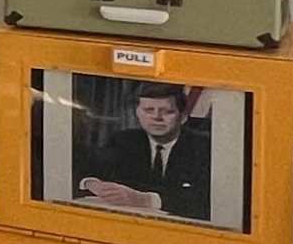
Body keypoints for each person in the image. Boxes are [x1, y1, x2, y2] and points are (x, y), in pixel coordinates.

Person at [75, 80, 218, 222]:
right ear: (138, 113)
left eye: (167, 112)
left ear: (183, 116)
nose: (157, 118)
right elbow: (85, 169)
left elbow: (208, 199)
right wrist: (93, 184)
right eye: (149, 110)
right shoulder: (123, 140)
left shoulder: (204, 146)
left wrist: (145, 200)